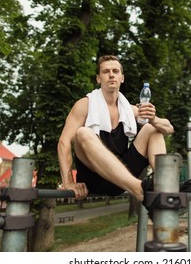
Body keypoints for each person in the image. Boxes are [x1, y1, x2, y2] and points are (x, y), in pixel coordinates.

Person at [57, 55, 174, 202]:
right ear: (98, 79)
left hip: (121, 177)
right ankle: (139, 189)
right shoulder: (84, 105)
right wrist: (68, 181)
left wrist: (153, 119)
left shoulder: (130, 109)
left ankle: (167, 184)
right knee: (83, 132)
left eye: (115, 71)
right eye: (106, 71)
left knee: (152, 129)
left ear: (122, 78)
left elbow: (169, 129)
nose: (111, 74)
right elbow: (64, 142)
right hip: (94, 177)